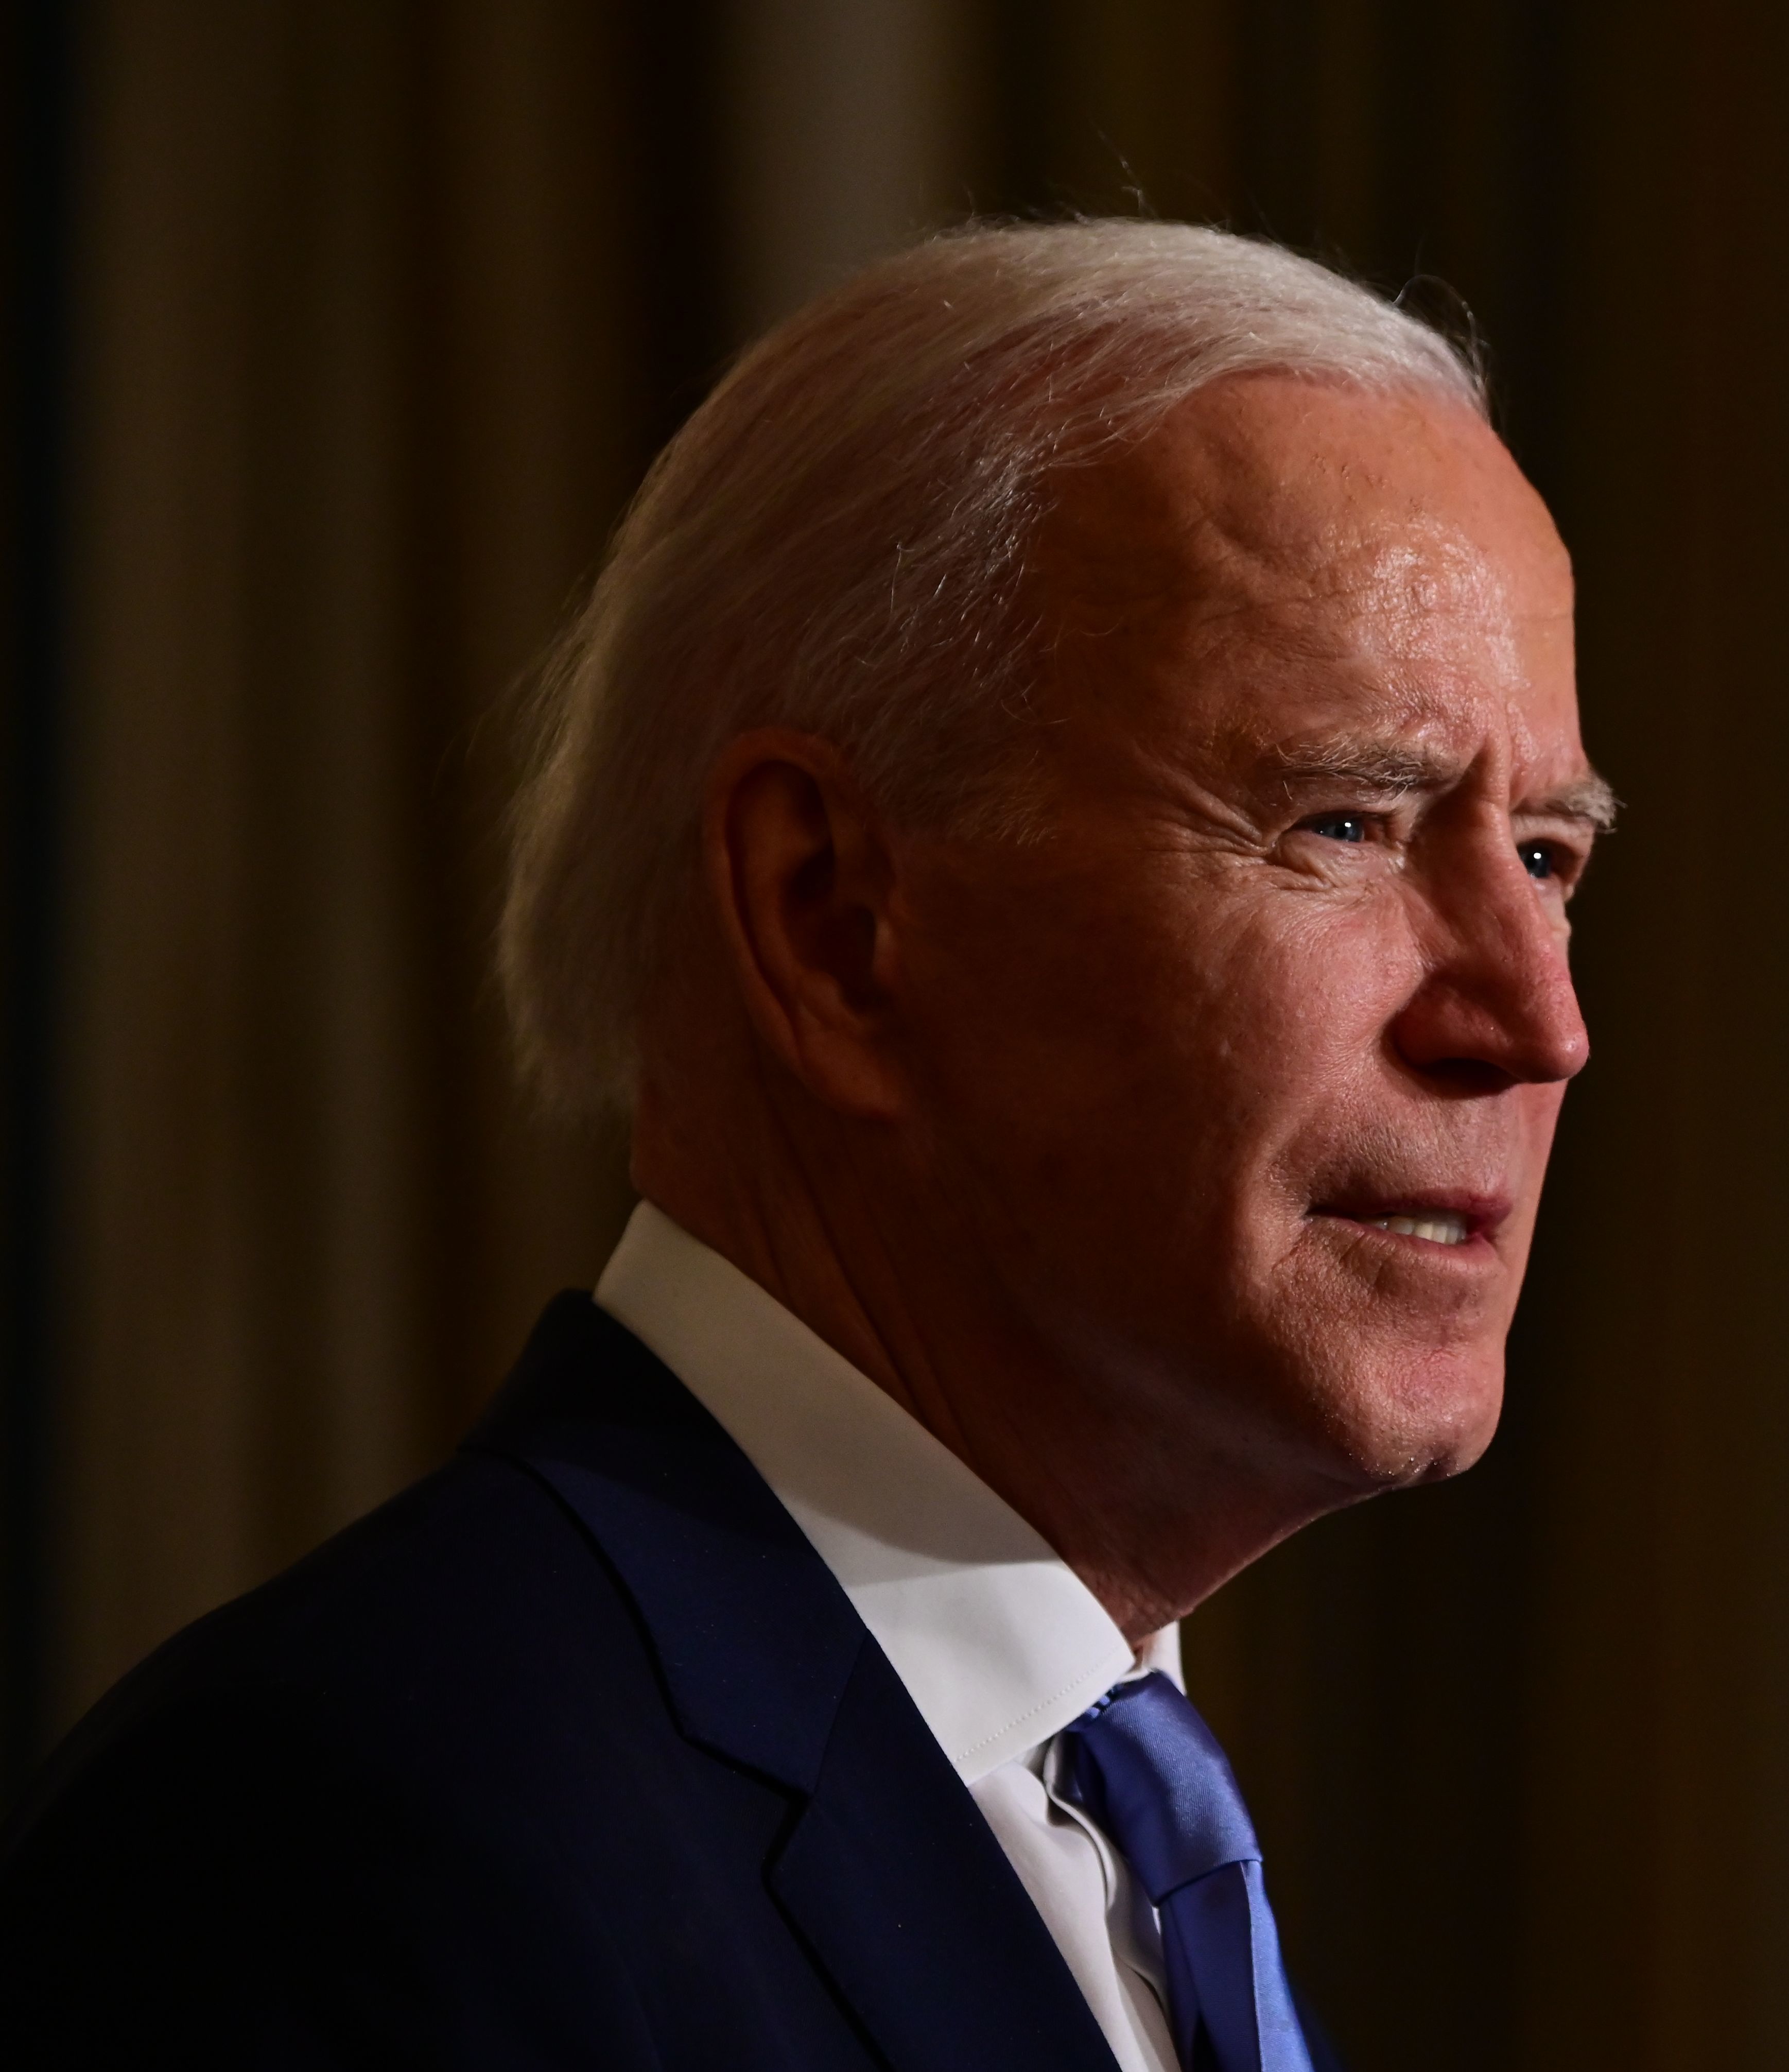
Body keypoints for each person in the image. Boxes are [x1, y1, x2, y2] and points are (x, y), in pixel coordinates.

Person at [0, 220, 1610, 2069]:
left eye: (1551, 858)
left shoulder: (1119, 1836)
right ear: (831, 913)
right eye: (1344, 823)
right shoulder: (345, 1844)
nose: (1535, 1023)